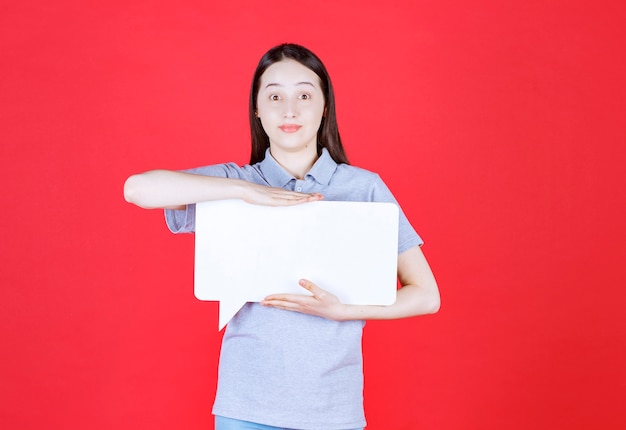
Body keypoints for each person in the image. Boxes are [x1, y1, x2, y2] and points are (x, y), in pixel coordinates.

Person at [124, 43, 440, 430]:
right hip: (245, 407)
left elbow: (426, 294)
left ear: (325, 106)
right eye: (274, 96)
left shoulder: (363, 188)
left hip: (333, 410)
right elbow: (137, 189)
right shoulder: (234, 182)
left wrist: (342, 311)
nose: (289, 110)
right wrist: (245, 191)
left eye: (304, 95)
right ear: (257, 109)